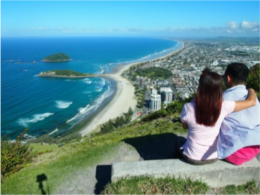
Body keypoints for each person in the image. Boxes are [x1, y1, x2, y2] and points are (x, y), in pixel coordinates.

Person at [176, 68, 256, 165]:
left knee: (178, 140)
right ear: (219, 89)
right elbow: (251, 102)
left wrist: (196, 100)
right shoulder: (224, 106)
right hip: (213, 157)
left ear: (200, 87)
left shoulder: (188, 107)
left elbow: (185, 126)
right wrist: (250, 89)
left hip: (191, 157)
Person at [217, 63, 260, 165]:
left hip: (233, 152)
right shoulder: (253, 98)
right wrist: (251, 90)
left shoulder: (223, 99)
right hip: (255, 147)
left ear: (228, 78)